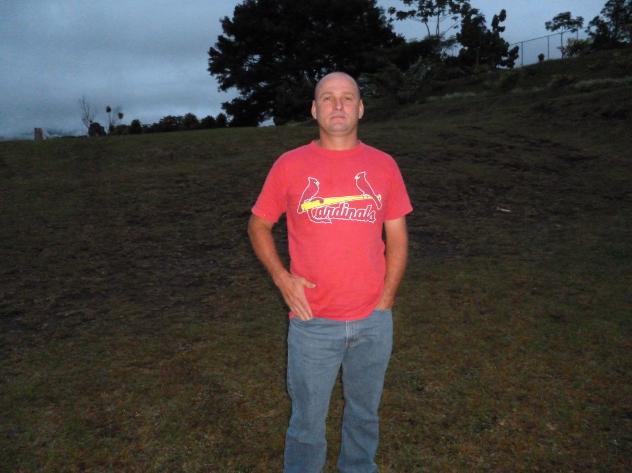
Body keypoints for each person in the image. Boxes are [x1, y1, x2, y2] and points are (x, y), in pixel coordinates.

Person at [248, 71, 412, 473]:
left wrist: (386, 299)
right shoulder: (290, 165)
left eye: (347, 97)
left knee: (364, 415)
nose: (337, 105)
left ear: (360, 108)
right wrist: (282, 279)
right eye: (327, 97)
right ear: (314, 109)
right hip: (313, 321)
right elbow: (258, 225)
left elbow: (397, 236)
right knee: (307, 423)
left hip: (373, 320)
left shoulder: (384, 166)